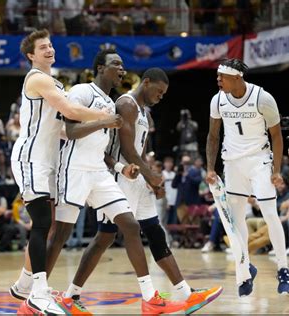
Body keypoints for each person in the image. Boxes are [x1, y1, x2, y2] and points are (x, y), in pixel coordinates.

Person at [58, 67, 220, 314]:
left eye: (165, 94)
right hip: (119, 177)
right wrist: (152, 176)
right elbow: (127, 150)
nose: (161, 96)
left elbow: (141, 152)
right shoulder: (127, 104)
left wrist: (149, 180)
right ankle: (73, 295)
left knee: (154, 233)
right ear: (146, 83)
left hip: (137, 179)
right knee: (105, 236)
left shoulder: (145, 112)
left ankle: (187, 294)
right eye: (159, 91)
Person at [44, 52, 187, 315]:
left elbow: (106, 149)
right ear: (100, 68)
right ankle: (37, 293)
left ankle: (149, 297)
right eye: (116, 64)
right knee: (61, 235)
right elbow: (72, 131)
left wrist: (124, 167)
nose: (122, 69)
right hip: (74, 168)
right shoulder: (83, 91)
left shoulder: (111, 104)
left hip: (100, 171)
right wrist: (105, 123)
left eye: (122, 65)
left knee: (130, 227)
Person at [9, 29, 115, 315]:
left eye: (50, 45)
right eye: (42, 47)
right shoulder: (37, 78)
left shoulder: (53, 82)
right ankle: (38, 293)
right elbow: (70, 109)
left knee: (48, 224)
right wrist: (105, 117)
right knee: (42, 223)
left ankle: (22, 285)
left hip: (48, 160)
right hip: (30, 158)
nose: (49, 49)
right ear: (31, 55)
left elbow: (64, 128)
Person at [205, 58, 289, 296]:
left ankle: (284, 271)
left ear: (236, 77)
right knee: (236, 221)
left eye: (221, 76)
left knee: (269, 214)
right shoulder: (218, 100)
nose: (218, 80)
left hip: (259, 161)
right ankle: (244, 271)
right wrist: (210, 168)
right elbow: (213, 135)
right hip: (232, 163)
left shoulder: (262, 98)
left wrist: (275, 170)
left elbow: (276, 136)